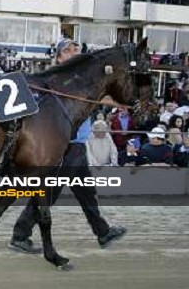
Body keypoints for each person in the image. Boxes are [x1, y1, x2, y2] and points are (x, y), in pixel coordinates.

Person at [10, 39, 127, 253]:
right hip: (64, 144)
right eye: (68, 50)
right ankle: (21, 234)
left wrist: (119, 101)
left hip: (75, 144)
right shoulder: (55, 78)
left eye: (76, 50)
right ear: (59, 56)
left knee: (77, 191)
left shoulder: (81, 79)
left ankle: (102, 232)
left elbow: (103, 96)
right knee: (57, 192)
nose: (73, 53)